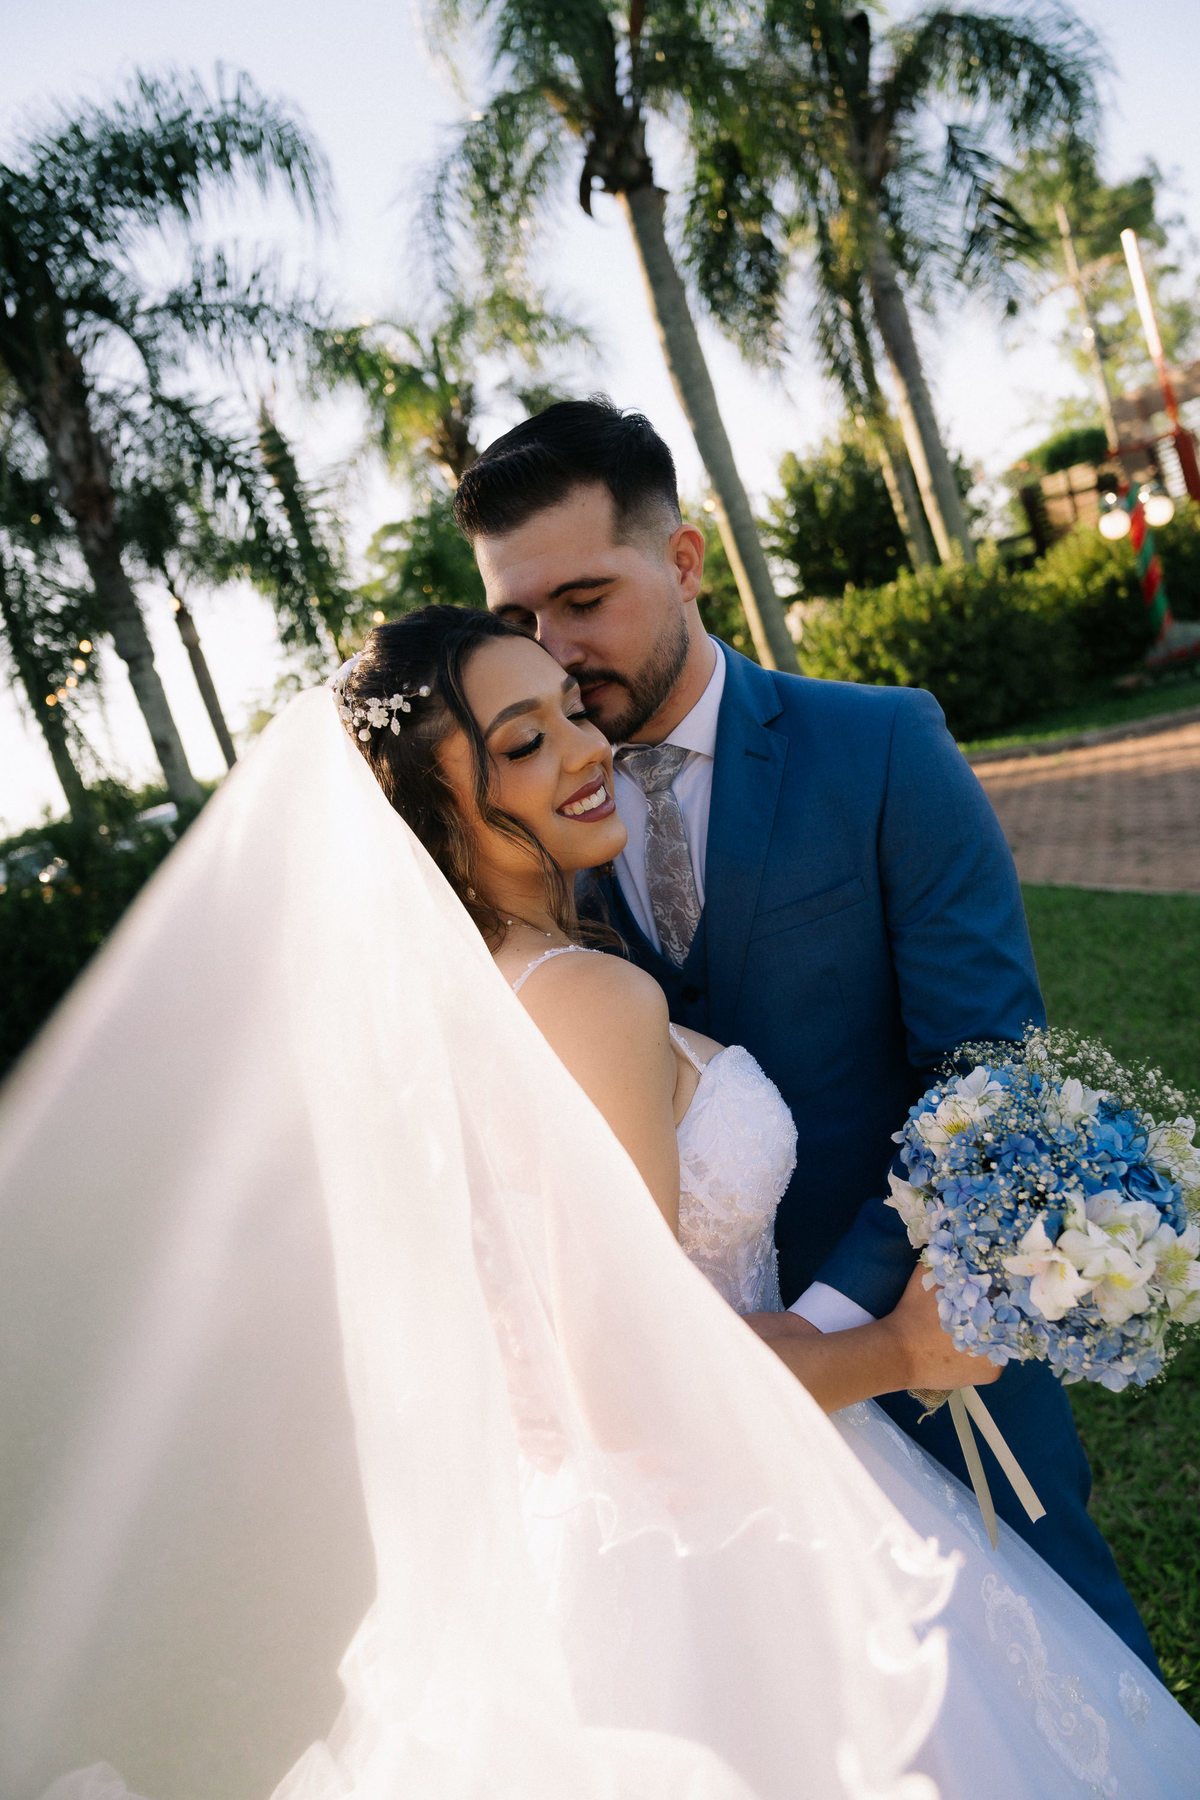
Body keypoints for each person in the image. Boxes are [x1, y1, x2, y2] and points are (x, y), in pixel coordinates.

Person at [1, 612, 1196, 1799]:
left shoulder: (472, 1008)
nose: (586, 749)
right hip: (721, 1541)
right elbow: (631, 1392)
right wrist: (898, 1350)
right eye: (523, 742)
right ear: (428, 812)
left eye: (571, 711)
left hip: (606, 1536)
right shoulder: (588, 1000)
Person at [451, 398, 1157, 1669]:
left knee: (1065, 1686)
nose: (557, 650)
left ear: (684, 561)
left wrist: (839, 1335)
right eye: (519, 621)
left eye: (586, 599)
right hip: (692, 1464)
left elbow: (986, 1070)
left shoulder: (881, 747)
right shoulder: (527, 840)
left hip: (932, 1352)